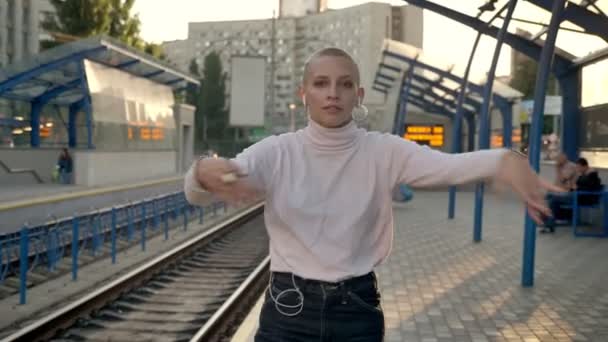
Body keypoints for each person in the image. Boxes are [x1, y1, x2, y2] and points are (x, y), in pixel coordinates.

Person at [184, 48, 551, 341]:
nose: (332, 93)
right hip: (288, 311)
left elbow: (449, 167)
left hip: (356, 308)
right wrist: (202, 171)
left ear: (357, 95)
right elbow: (201, 192)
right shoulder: (276, 152)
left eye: (344, 84)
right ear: (304, 93)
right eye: (321, 83)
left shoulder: (383, 151)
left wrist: (505, 159)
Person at [542, 157, 603, 233]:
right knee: (550, 197)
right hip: (577, 195)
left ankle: (549, 223)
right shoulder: (583, 175)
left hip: (581, 198)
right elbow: (578, 186)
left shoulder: (592, 175)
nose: (578, 169)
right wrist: (571, 188)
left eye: (579, 167)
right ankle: (548, 222)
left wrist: (576, 188)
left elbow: (590, 188)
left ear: (584, 166)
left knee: (553, 199)